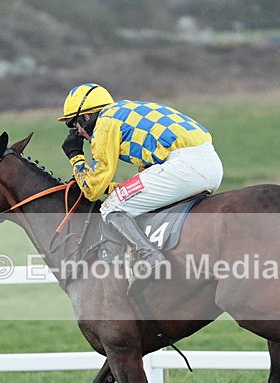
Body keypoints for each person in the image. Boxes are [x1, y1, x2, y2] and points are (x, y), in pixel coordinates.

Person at [58, 83, 223, 292]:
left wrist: (75, 156)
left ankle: (149, 255)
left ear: (87, 117)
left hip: (185, 167)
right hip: (210, 164)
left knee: (110, 207)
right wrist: (112, 189)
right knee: (127, 199)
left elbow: (92, 190)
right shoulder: (128, 111)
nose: (77, 132)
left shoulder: (105, 123)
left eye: (74, 124)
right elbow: (143, 182)